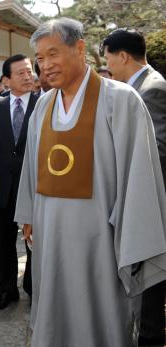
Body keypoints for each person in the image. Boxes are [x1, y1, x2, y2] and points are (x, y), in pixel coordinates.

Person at [15, 18, 166, 347]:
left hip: (101, 238)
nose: (45, 65)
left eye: (52, 54)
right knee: (53, 312)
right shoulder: (43, 105)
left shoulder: (121, 101)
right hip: (51, 233)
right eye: (39, 58)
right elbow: (31, 167)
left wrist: (132, 239)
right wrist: (28, 216)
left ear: (79, 48)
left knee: (102, 319)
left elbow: (138, 175)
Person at [102, 28, 166, 346]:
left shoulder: (150, 90)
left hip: (150, 200)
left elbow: (155, 150)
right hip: (142, 197)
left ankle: (150, 338)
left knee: (151, 279)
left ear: (123, 56)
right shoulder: (139, 85)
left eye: (109, 58)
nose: (108, 67)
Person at [0, 54, 38, 310]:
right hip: (3, 188)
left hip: (35, 187)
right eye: (21, 73)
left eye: (29, 71)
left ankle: (33, 287)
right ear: (6, 80)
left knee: (33, 240)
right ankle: (7, 290)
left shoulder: (44, 104)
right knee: (4, 242)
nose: (28, 77)